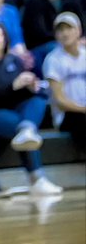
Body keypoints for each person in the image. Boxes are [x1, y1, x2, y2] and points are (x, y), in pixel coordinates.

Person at [0, 23, 61, 196]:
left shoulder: (14, 61)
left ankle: (27, 128)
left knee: (38, 99)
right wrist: (13, 86)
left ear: (5, 39)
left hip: (16, 111)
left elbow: (21, 94)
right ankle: (35, 177)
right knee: (22, 127)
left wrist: (30, 86)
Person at [21, 0, 86, 71]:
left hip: (71, 43)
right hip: (43, 48)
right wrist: (69, 40)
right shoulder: (32, 4)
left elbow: (82, 27)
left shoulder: (72, 1)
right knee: (56, 48)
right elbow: (37, 35)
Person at [43, 12, 86, 151]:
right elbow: (60, 101)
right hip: (68, 116)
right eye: (60, 30)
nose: (65, 33)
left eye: (69, 28)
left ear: (78, 30)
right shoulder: (53, 60)